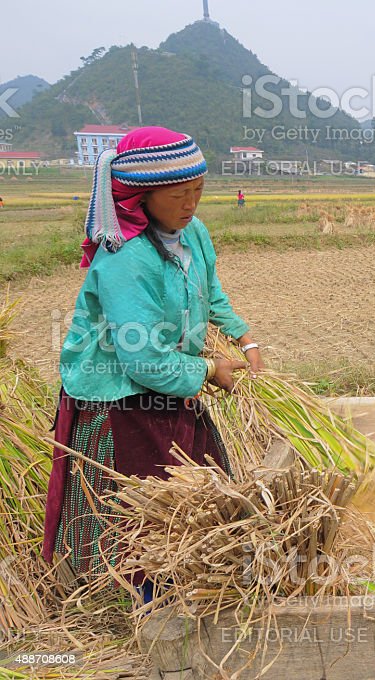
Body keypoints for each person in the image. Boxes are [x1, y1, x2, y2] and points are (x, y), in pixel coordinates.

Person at [42, 127, 264, 596]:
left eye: (198, 191)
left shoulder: (193, 232)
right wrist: (208, 370)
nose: (191, 205)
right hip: (120, 394)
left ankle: (194, 582)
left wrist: (243, 338)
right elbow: (142, 361)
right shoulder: (126, 258)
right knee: (143, 502)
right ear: (140, 196)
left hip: (170, 378)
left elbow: (211, 291)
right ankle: (144, 598)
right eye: (179, 194)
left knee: (201, 482)